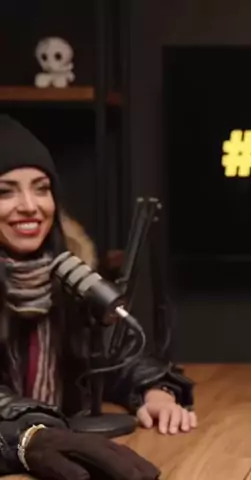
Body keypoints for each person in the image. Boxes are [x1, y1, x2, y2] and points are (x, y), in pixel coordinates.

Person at [0, 115, 196, 479]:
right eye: (5, 192)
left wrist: (156, 392)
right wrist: (33, 437)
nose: (30, 206)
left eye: (41, 189)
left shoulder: (68, 278)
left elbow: (115, 357)